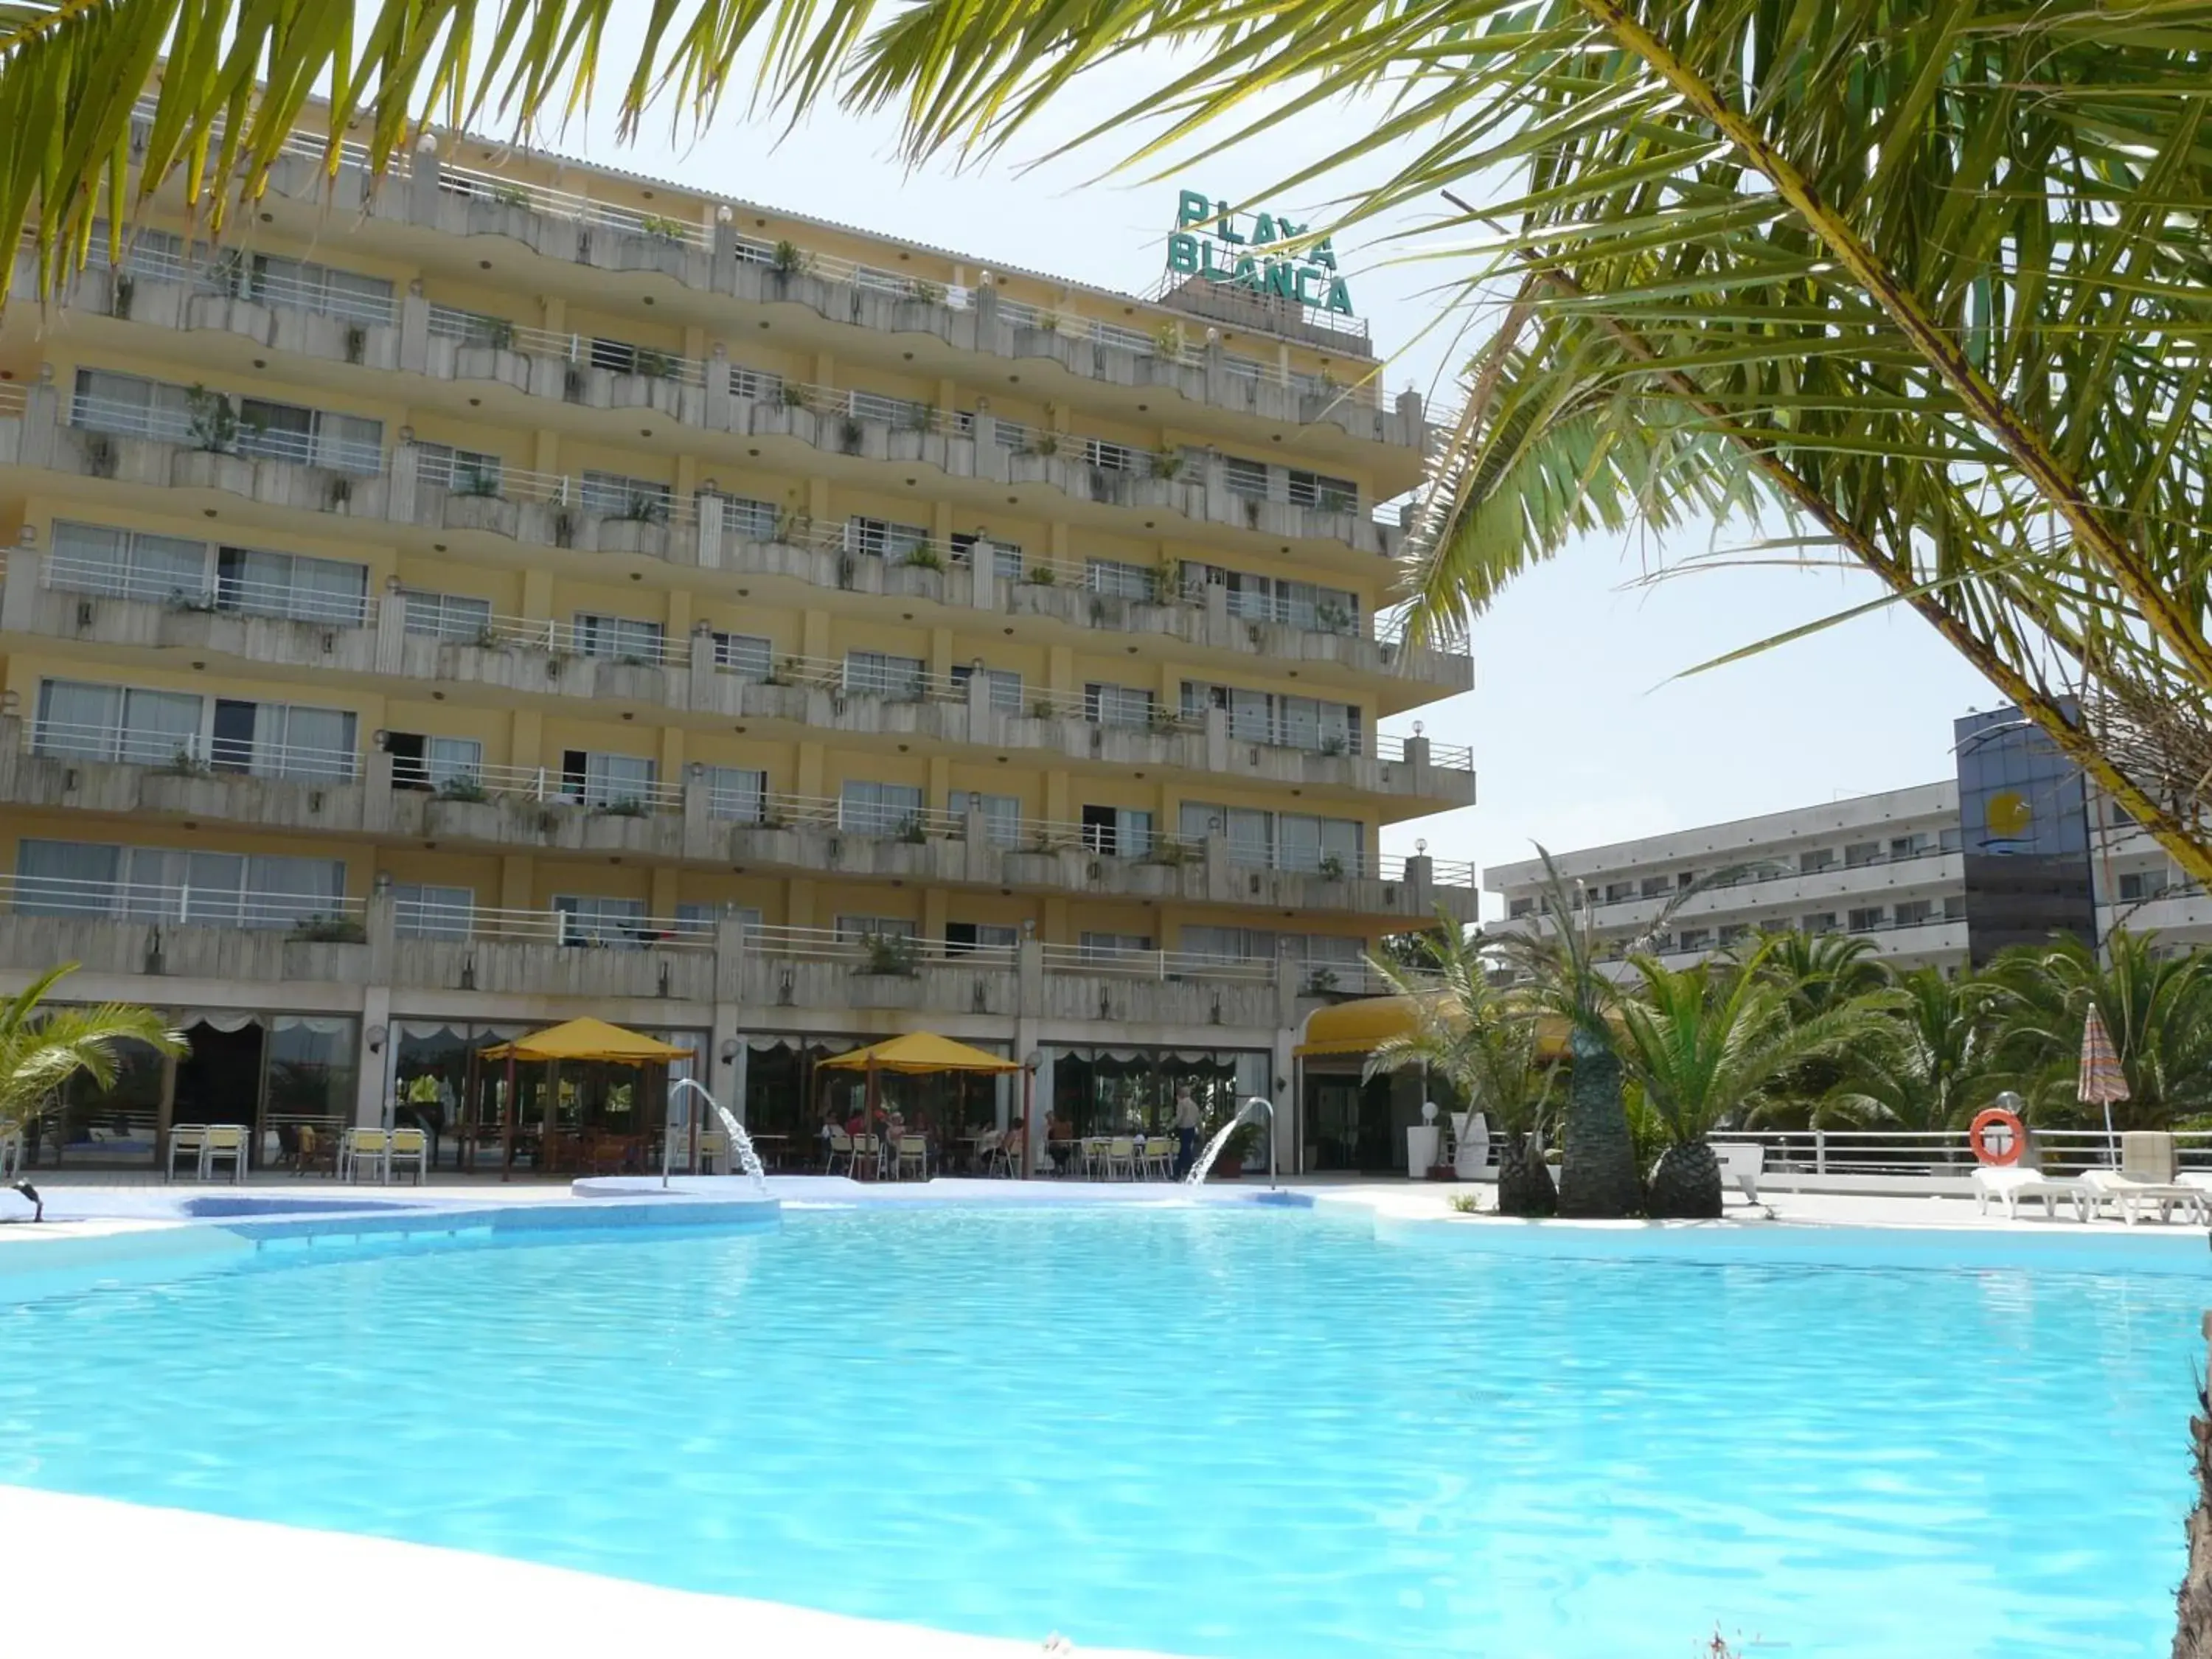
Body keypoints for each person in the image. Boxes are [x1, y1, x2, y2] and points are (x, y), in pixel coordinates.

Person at [1173, 1087, 1201, 1178]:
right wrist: (1201, 1131)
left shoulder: (1182, 1103)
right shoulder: (1194, 1105)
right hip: (1192, 1129)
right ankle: (1179, 1172)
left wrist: (1171, 1126)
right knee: (1186, 1149)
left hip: (1184, 1129)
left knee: (1184, 1150)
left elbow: (1179, 1117)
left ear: (1181, 1094)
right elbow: (1198, 1119)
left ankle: (1189, 1170)